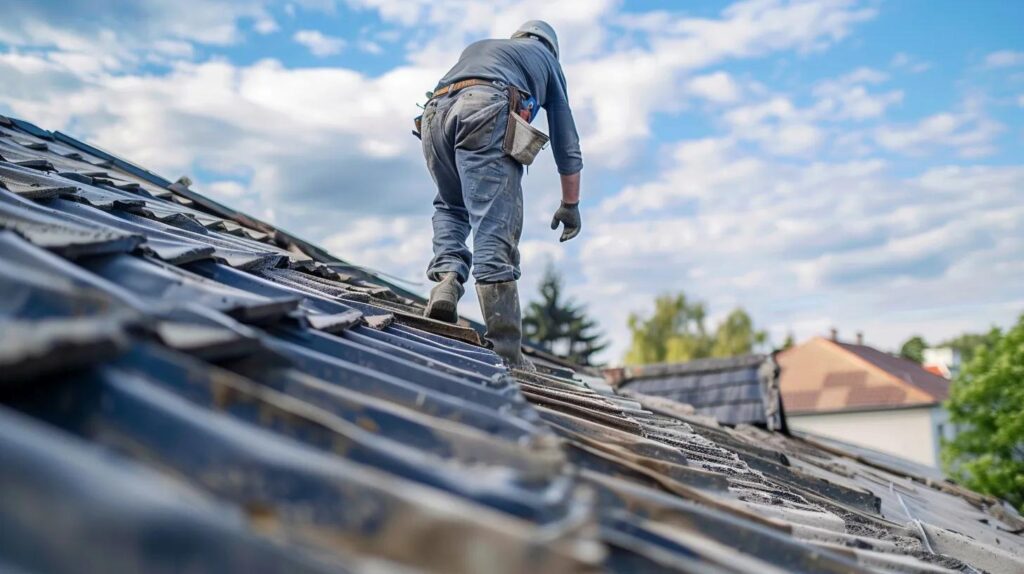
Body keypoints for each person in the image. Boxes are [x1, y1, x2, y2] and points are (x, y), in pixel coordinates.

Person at [418, 20, 583, 369]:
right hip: (485, 106)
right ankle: (506, 349)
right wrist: (571, 204)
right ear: (551, 47)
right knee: (495, 221)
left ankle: (447, 280)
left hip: (433, 115)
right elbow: (567, 143)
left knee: (451, 204)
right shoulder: (548, 61)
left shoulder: (484, 48)